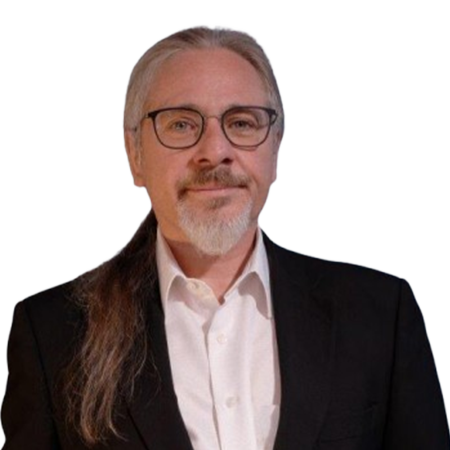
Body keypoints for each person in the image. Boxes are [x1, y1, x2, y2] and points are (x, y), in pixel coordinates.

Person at [1, 25, 449, 450]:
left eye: (242, 123)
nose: (215, 151)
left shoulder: (379, 317)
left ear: (275, 148)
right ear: (135, 153)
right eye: (180, 124)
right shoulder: (53, 336)